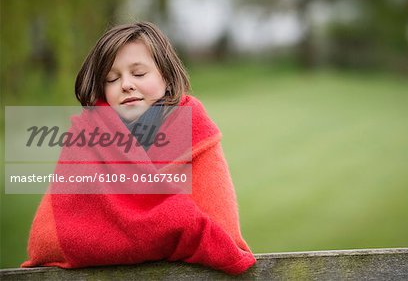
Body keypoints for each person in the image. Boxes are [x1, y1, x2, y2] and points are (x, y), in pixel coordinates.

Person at [22, 22, 256, 275]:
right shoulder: (86, 136)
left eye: (139, 74)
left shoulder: (194, 131)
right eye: (112, 79)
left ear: (165, 76)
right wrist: (177, 227)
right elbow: (46, 241)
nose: (126, 84)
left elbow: (222, 236)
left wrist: (120, 234)